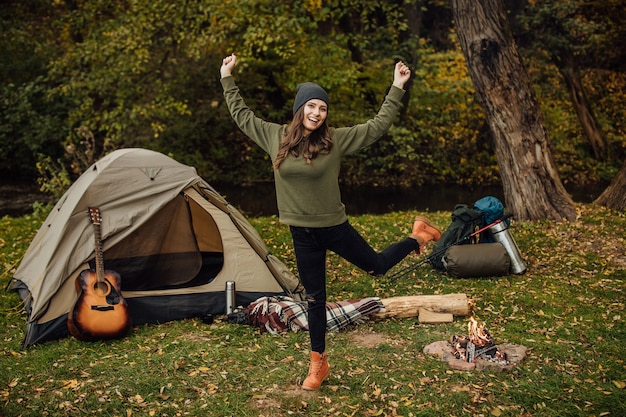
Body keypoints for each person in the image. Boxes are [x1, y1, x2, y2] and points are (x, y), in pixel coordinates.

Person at [219, 54, 442, 390]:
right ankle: (317, 365)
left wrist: (396, 86)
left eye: (322, 109)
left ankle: (418, 237)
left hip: (335, 228)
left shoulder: (335, 140)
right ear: (300, 110)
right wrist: (226, 78)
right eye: (311, 107)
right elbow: (241, 115)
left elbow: (376, 126)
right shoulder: (274, 136)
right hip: (301, 234)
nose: (316, 113)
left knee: (378, 267)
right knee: (315, 300)